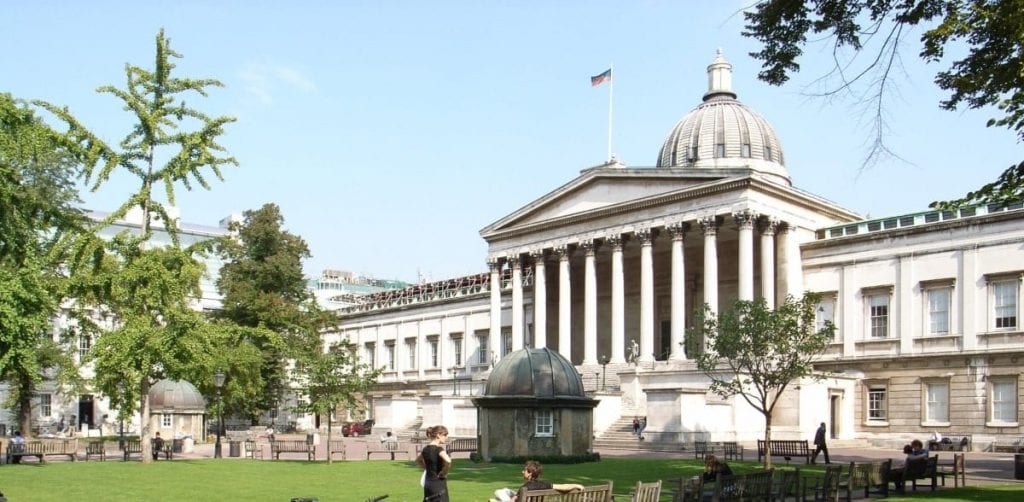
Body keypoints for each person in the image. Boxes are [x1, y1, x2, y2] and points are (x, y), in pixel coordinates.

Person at [492, 460, 584, 502]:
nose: (522, 472)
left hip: (520, 497)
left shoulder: (525, 488)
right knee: (506, 490)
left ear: (530, 474)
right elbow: (563, 487)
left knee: (498, 492)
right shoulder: (544, 484)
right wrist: (576, 485)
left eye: (524, 471)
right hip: (524, 497)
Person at [416, 425, 451, 502]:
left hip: (428, 484)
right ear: (438, 435)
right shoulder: (438, 449)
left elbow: (418, 460)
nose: (446, 437)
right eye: (445, 435)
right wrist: (445, 471)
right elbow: (448, 460)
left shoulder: (425, 449)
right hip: (438, 484)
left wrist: (427, 468)